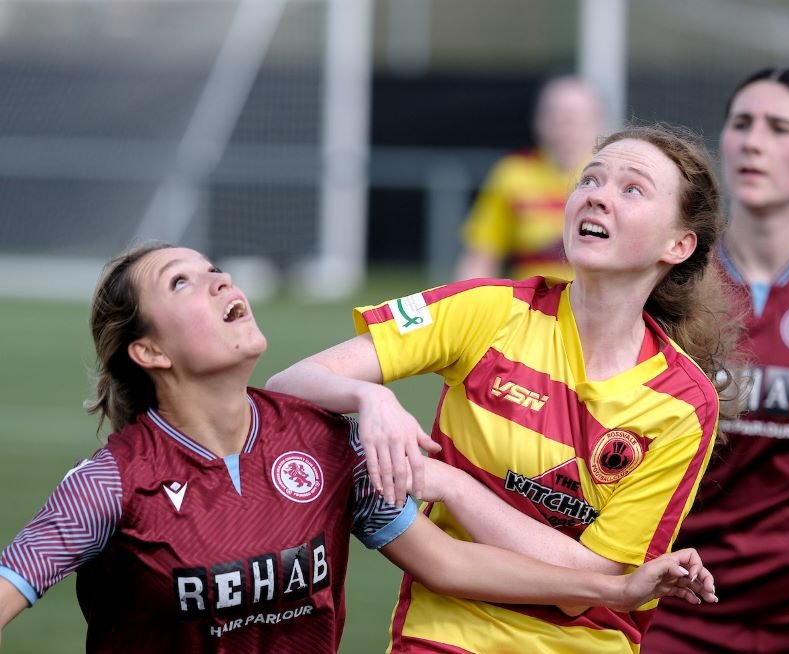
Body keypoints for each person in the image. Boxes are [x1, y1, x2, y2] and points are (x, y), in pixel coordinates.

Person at [0, 244, 717, 653]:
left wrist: (618, 589)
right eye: (182, 282)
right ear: (148, 348)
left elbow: (451, 564)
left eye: (215, 266)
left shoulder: (323, 444)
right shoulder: (109, 485)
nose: (220, 278)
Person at [266, 123, 742, 653]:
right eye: (590, 180)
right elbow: (290, 385)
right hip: (445, 635)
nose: (598, 198)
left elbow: (587, 587)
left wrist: (450, 484)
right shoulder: (488, 310)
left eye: (631, 189)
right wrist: (369, 397)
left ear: (678, 244)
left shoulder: (685, 401)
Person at [645, 67, 789, 654]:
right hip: (676, 604)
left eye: (780, 127)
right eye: (742, 124)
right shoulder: (666, 281)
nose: (754, 140)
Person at [454, 74, 605, 281]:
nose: (564, 128)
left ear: (598, 122)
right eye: (555, 117)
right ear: (538, 121)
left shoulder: (611, 178)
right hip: (529, 308)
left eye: (573, 118)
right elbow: (481, 255)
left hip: (595, 308)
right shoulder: (513, 173)